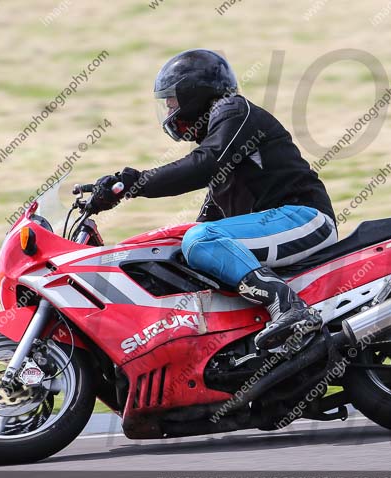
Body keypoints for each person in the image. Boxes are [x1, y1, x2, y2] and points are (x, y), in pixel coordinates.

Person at [90, 49, 337, 352]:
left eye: (173, 100)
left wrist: (132, 183)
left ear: (194, 92)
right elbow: (203, 219)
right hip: (282, 226)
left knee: (199, 240)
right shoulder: (225, 158)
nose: (169, 110)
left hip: (305, 218)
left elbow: (203, 165)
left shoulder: (233, 110)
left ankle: (289, 308)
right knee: (179, 248)